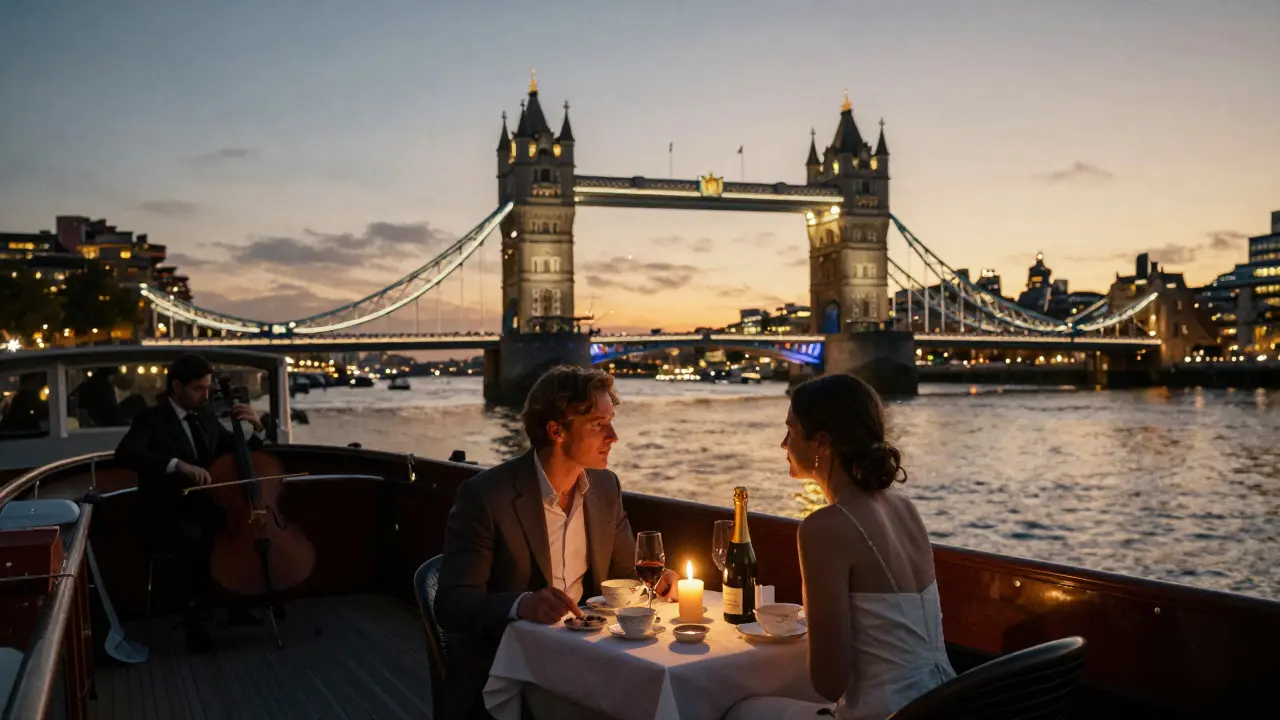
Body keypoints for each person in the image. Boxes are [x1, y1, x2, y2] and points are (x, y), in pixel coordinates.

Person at [435, 365, 678, 720]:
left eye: (611, 421)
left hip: (590, 657)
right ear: (556, 430)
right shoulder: (487, 496)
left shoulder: (605, 487)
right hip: (517, 670)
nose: (613, 436)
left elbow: (626, 573)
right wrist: (521, 605)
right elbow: (452, 604)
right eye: (598, 424)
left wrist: (660, 579)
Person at [727, 374, 956, 720]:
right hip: (947, 702)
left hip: (885, 714)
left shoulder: (824, 528)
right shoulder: (903, 508)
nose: (783, 443)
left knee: (740, 710)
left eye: (791, 430)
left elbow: (829, 682)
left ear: (822, 443)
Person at [114, 353, 266, 653]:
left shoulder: (205, 417)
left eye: (208, 388)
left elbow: (236, 454)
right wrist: (176, 465)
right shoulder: (152, 419)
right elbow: (126, 453)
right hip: (164, 513)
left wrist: (256, 430)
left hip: (204, 508)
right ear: (176, 386)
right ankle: (194, 621)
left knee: (236, 530)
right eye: (198, 389)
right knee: (195, 539)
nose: (205, 395)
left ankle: (234, 603)